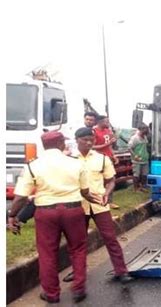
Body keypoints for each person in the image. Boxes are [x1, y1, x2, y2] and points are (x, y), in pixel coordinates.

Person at [7, 131, 102, 304]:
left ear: (44, 146)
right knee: (78, 249)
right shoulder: (75, 163)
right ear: (60, 143)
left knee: (47, 253)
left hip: (46, 212)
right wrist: (89, 197)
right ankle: (79, 289)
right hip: (73, 210)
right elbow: (85, 191)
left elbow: (21, 197)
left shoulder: (32, 165)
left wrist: (12, 215)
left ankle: (51, 294)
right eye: (63, 142)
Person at [63, 128, 133, 284]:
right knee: (77, 241)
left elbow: (111, 180)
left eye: (92, 139)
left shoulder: (102, 159)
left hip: (100, 204)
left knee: (110, 238)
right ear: (76, 139)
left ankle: (121, 271)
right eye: (85, 139)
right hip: (77, 205)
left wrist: (107, 192)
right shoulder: (68, 159)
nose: (89, 142)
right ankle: (77, 271)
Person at [93, 115, 120, 209]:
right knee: (100, 181)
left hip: (108, 158)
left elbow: (110, 147)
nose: (108, 123)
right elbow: (93, 147)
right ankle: (99, 200)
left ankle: (109, 201)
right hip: (99, 159)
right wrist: (107, 144)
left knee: (111, 179)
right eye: (106, 121)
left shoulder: (108, 131)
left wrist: (114, 155)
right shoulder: (94, 131)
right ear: (99, 122)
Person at [128, 123, 150, 192]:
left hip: (145, 159)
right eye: (144, 129)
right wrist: (135, 156)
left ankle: (143, 186)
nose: (146, 130)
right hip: (137, 160)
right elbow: (130, 148)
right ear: (140, 129)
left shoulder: (145, 137)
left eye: (146, 129)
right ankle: (136, 188)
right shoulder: (135, 138)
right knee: (136, 174)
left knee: (144, 174)